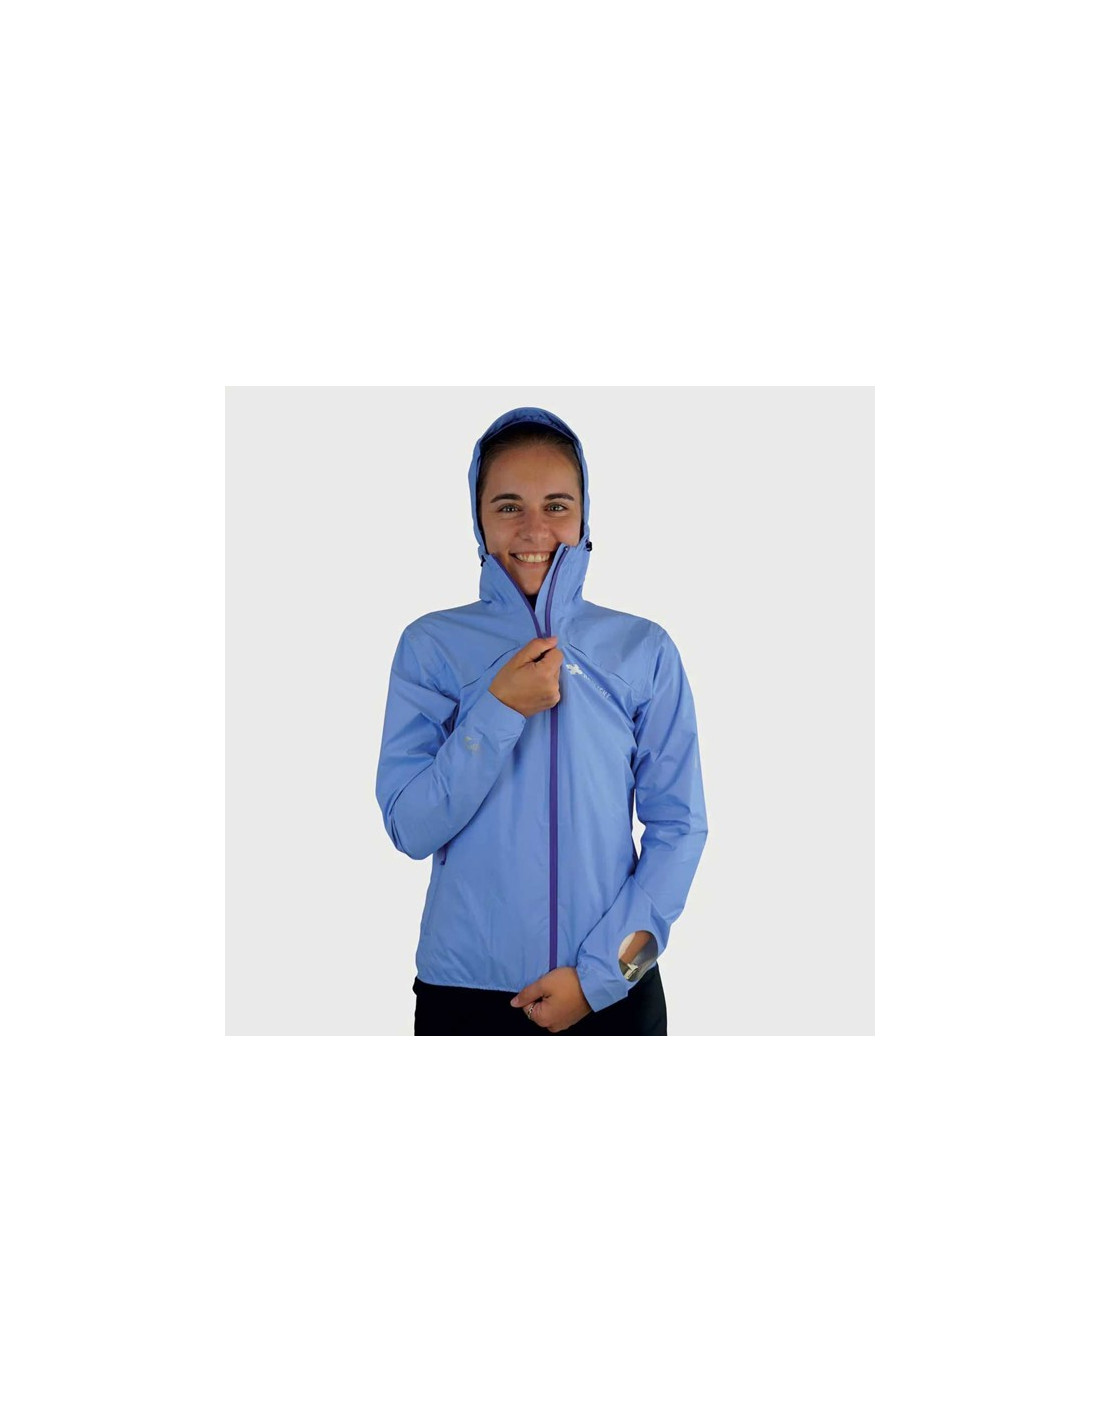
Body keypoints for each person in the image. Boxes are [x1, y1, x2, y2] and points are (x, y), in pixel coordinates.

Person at [375, 406, 708, 1035]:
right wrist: (499, 708)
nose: (535, 529)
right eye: (509, 506)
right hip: (464, 993)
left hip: (616, 991)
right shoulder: (430, 646)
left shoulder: (644, 649)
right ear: (478, 518)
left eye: (556, 505)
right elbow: (410, 827)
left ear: (584, 516)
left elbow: (679, 828)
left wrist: (603, 977)